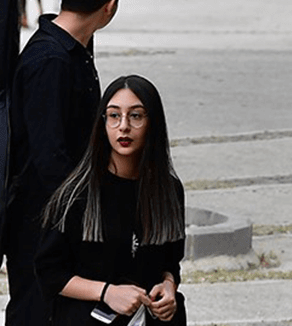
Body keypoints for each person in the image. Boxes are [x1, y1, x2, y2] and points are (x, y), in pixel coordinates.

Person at [5, 0, 133, 326]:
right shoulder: (51, 62)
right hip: (41, 225)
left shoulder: (73, 49)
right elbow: (50, 161)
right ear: (110, 5)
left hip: (61, 218)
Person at [35, 75, 186, 326]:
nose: (123, 126)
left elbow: (170, 261)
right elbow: (50, 273)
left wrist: (169, 287)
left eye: (136, 116)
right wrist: (107, 292)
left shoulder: (168, 189)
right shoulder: (77, 193)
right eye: (114, 116)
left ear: (153, 122)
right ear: (103, 122)